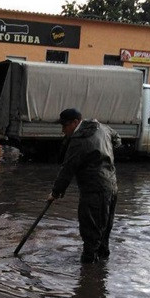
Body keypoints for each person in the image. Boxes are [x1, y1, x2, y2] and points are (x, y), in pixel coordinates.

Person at [48, 108, 121, 263]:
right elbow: (117, 140)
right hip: (111, 186)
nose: (63, 130)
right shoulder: (102, 127)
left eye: (65, 126)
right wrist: (104, 155)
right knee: (104, 229)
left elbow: (67, 169)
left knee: (90, 232)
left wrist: (55, 192)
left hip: (94, 190)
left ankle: (87, 274)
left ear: (75, 123)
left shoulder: (79, 140)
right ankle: (101, 271)